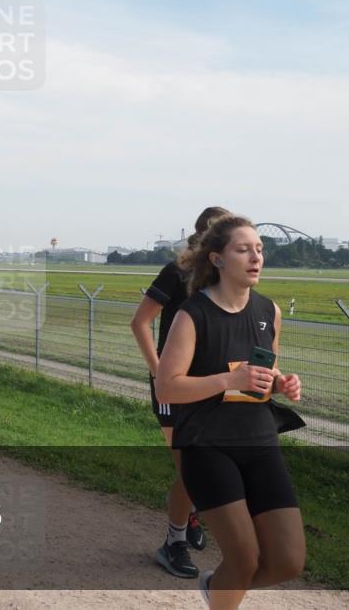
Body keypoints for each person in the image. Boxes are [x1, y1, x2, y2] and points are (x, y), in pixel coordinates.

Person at [156, 215, 305, 609]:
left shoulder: (269, 311)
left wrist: (280, 383)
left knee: (289, 561)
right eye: (243, 250)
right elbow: (167, 386)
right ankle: (225, 590)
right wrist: (227, 381)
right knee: (243, 558)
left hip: (260, 442)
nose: (255, 257)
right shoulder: (192, 315)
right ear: (218, 259)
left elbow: (261, 372)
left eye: (259, 249)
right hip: (207, 445)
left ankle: (215, 587)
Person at [130, 206, 229, 579]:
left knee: (205, 467)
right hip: (174, 386)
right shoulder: (178, 273)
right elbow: (140, 321)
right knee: (192, 468)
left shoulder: (225, 279)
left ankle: (188, 514)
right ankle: (174, 542)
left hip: (210, 386)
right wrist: (159, 374)